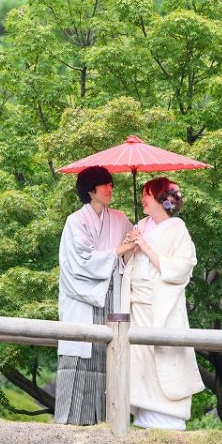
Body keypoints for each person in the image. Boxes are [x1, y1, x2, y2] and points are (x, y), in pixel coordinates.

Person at [120, 177, 205, 430]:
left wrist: (144, 246)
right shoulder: (141, 225)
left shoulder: (177, 228)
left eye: (147, 194)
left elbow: (182, 267)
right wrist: (129, 244)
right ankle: (144, 417)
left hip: (161, 307)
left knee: (164, 358)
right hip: (136, 305)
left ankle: (168, 419)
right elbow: (128, 264)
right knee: (139, 361)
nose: (142, 198)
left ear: (161, 199)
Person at [54, 165, 134, 425]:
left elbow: (133, 249)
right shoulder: (76, 221)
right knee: (80, 354)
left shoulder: (120, 219)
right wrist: (121, 248)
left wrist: (134, 240)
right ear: (90, 190)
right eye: (104, 184)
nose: (110, 188)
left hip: (112, 296)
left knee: (109, 356)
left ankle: (109, 422)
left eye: (111, 184)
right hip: (83, 298)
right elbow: (82, 260)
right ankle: (72, 424)